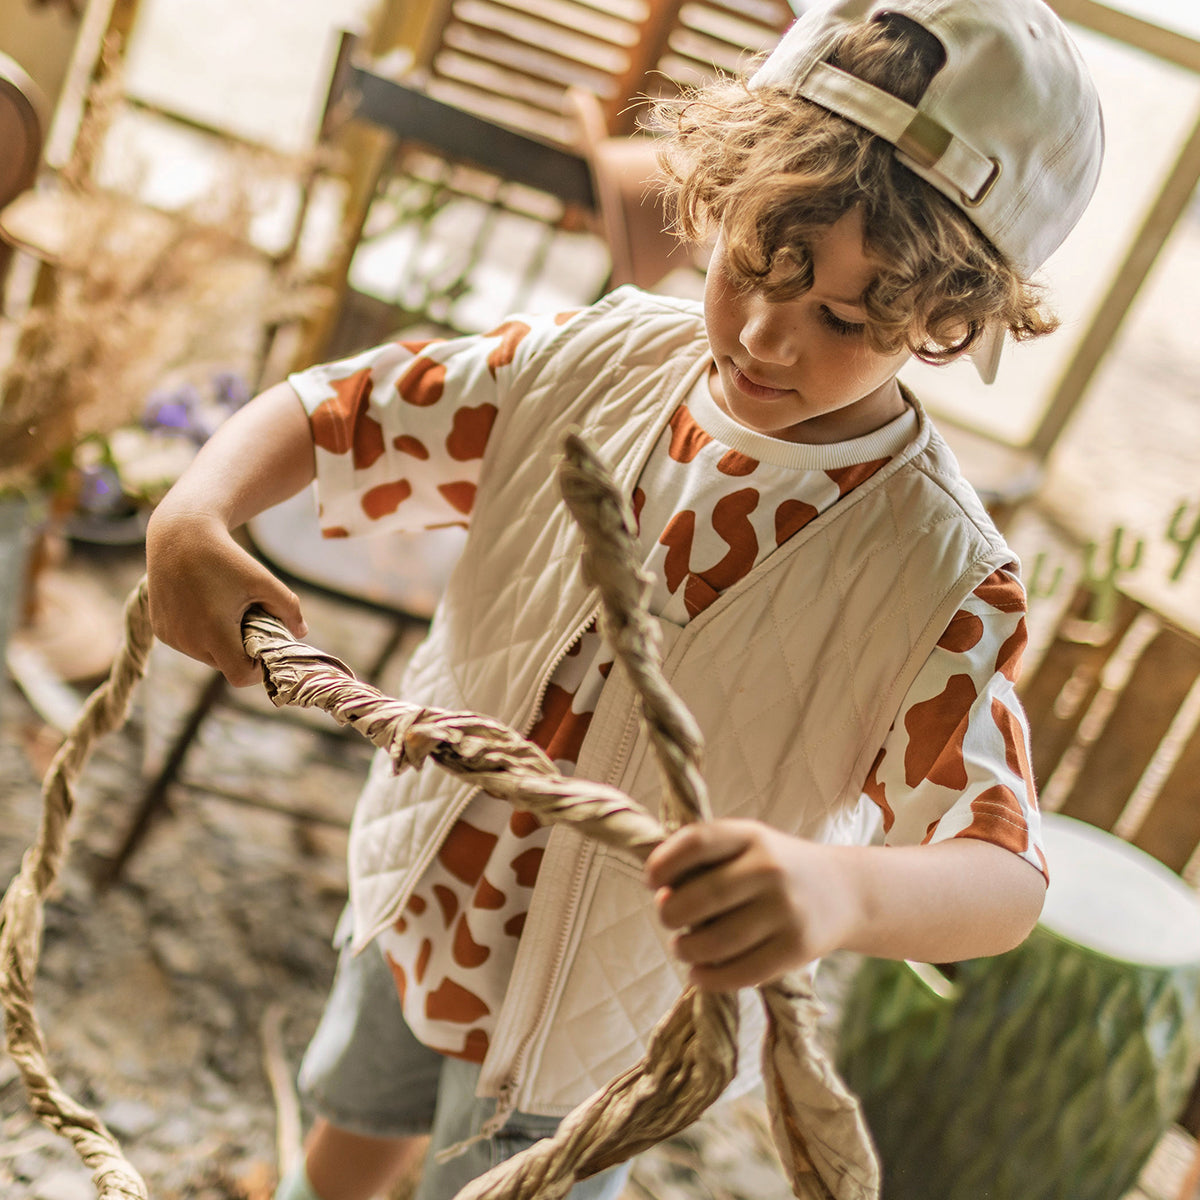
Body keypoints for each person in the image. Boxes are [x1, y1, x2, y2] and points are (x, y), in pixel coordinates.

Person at [145, 1, 1104, 1197]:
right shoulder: (592, 360)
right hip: (422, 893)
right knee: (355, 1111)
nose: (763, 331)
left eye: (846, 319)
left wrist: (836, 888)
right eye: (756, 260)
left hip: (599, 1022)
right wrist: (193, 512)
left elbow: (1003, 877)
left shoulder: (933, 578)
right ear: (722, 191)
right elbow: (347, 409)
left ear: (951, 321)